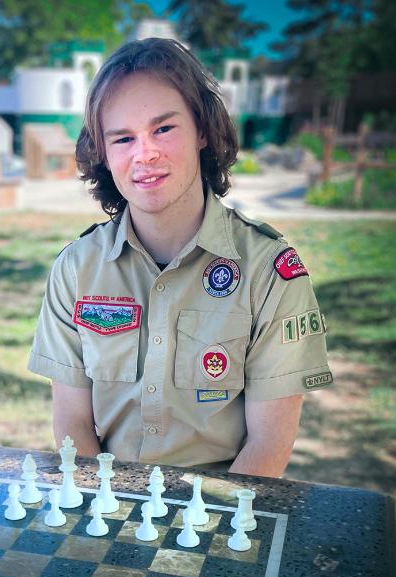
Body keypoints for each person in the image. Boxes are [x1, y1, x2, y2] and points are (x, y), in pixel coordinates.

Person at [27, 38, 332, 477]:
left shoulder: (268, 271)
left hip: (222, 513)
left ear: (202, 131)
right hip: (109, 499)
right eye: (123, 138)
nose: (144, 154)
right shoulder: (76, 269)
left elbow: (269, 442)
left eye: (163, 129)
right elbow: (72, 420)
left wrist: (206, 533)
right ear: (105, 154)